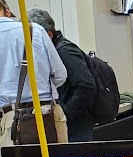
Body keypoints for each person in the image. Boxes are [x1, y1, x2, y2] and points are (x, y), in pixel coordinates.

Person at [27, 9, 96, 141]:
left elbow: (86, 84)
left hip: (75, 127)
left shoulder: (64, 52)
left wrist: (66, 113)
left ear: (48, 35)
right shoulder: (55, 50)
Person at [0, 12, 67, 146]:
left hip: (11, 118)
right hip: (47, 113)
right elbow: (60, 75)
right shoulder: (34, 30)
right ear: (7, 11)